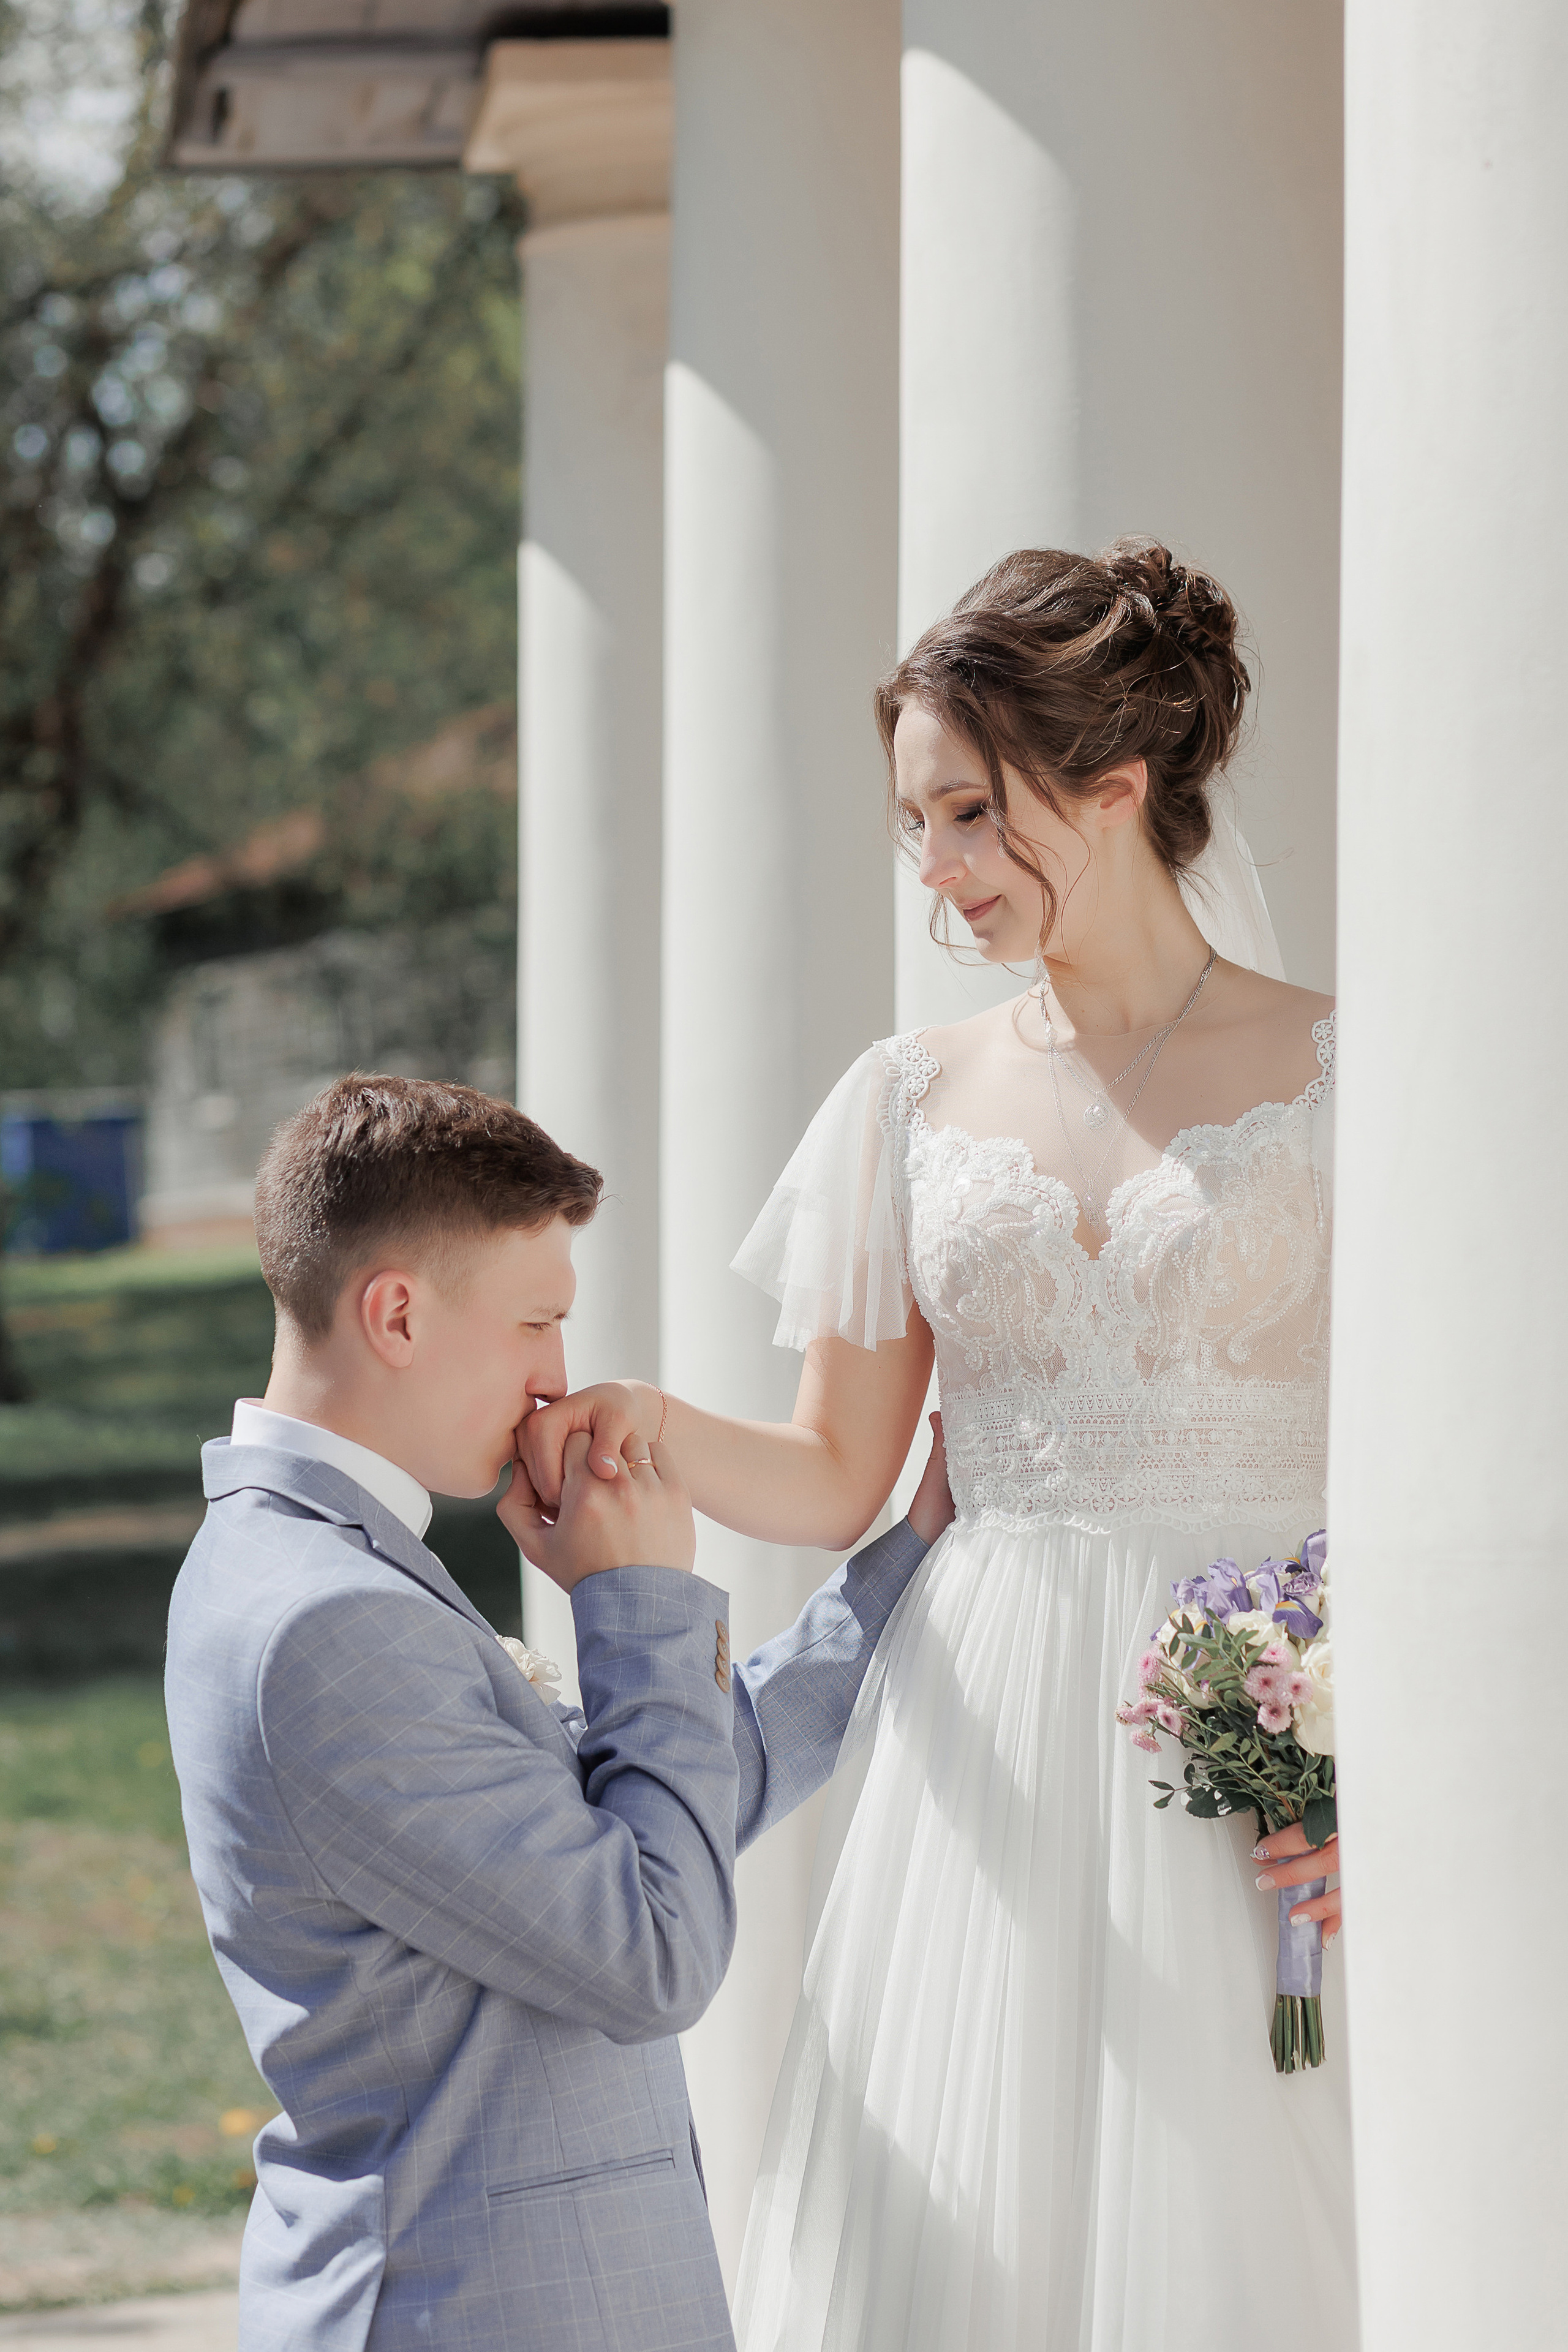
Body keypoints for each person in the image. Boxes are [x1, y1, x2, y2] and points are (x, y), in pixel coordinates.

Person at [521, 541, 1356, 2350]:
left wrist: (1366, 1718)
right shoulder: (910, 1099)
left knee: (1251, 2178)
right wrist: (648, 1430)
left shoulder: (1344, 1074)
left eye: (970, 816)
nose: (938, 875)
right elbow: (839, 1474)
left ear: (1120, 782)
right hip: (990, 1718)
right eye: (915, 827)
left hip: (1255, 1707)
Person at [163, 1074, 954, 2351]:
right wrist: (633, 1596)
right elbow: (653, 1949)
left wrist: (914, 1546)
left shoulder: (325, 1570)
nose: (557, 1378)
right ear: (398, 1314)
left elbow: (661, 1810)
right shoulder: (324, 1621)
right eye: (538, 1322)